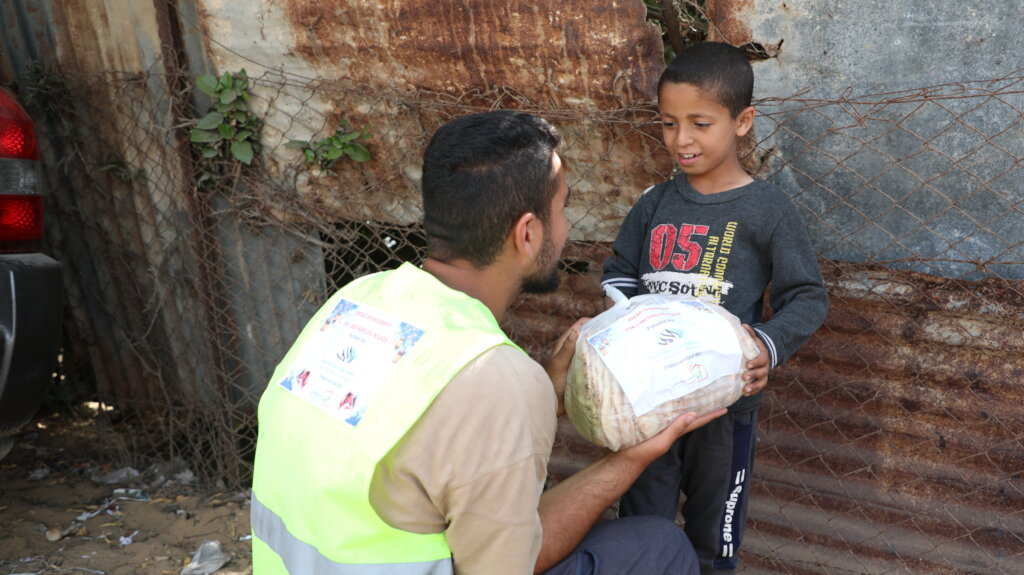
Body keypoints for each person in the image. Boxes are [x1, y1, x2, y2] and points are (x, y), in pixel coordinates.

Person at [250, 110, 724, 575]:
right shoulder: (495, 377)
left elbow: (420, 438)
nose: (565, 228)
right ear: (527, 233)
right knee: (657, 547)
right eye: (562, 209)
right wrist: (630, 459)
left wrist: (544, 398)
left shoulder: (359, 300)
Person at [602, 42, 830, 574]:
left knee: (714, 538)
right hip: (650, 403)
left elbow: (807, 295)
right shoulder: (655, 201)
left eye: (700, 123)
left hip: (726, 408)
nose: (681, 139)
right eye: (668, 123)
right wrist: (629, 320)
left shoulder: (767, 208)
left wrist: (765, 346)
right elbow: (618, 269)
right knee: (643, 526)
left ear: (742, 121)